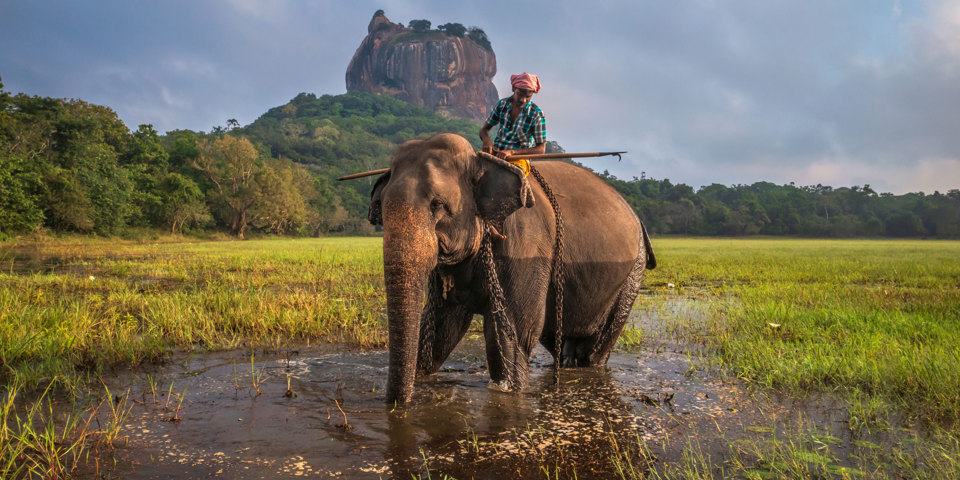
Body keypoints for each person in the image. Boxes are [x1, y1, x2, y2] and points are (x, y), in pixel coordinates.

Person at [479, 72, 547, 164]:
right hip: (496, 153)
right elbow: (484, 130)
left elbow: (541, 149)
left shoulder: (536, 114)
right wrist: (487, 141)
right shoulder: (502, 104)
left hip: (519, 159)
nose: (523, 100)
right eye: (520, 94)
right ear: (514, 88)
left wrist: (512, 152)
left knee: (509, 178)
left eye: (528, 97)